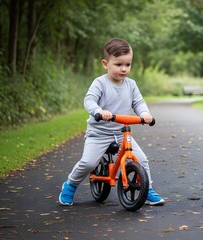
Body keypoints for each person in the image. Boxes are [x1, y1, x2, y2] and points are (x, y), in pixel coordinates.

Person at [58, 38, 164, 206]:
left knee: (141, 160)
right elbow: (89, 101)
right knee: (88, 162)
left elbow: (138, 102)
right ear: (105, 63)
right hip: (99, 133)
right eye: (118, 64)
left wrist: (145, 114)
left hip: (121, 133)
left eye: (128, 65)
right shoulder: (100, 83)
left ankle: (147, 189)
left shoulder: (131, 84)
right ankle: (70, 185)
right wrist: (99, 111)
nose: (124, 69)